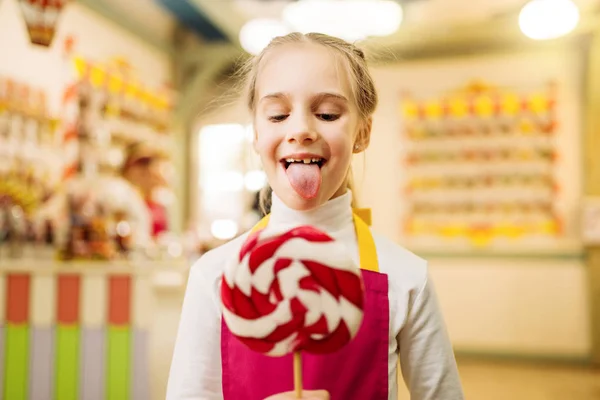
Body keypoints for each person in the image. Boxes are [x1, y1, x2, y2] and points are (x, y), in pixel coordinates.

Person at [166, 32, 464, 400]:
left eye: (326, 114)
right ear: (256, 134)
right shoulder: (214, 276)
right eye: (277, 114)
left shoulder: (405, 276)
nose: (302, 130)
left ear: (362, 133)